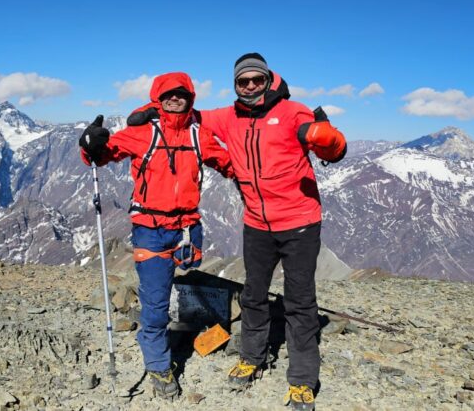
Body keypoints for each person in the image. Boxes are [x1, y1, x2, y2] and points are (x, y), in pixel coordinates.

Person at [199, 53, 346, 410]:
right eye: (242, 81)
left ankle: (302, 380)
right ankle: (252, 357)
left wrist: (326, 138)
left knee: (299, 301)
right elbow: (183, 112)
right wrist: (144, 112)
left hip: (299, 223)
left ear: (268, 80)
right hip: (256, 224)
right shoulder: (227, 116)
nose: (250, 86)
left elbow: (336, 148)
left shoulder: (293, 111)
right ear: (234, 85)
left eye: (256, 80)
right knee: (253, 294)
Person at [78, 71, 234, 399]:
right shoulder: (142, 132)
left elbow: (228, 164)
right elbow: (102, 155)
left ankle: (175, 325)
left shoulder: (198, 135)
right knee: (156, 301)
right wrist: (90, 145)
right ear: (158, 99)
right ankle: (159, 365)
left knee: (187, 271)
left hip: (189, 229)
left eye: (182, 94)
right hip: (150, 230)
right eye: (168, 95)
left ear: (190, 99)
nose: (175, 99)